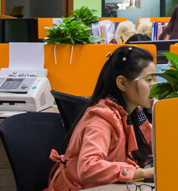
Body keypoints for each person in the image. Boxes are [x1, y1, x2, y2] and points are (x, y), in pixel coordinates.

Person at [48, 46, 156, 190]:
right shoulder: (100, 120)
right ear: (122, 83)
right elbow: (88, 168)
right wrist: (143, 173)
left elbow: (156, 143)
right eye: (148, 80)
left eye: (154, 80)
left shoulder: (134, 113)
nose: (154, 87)